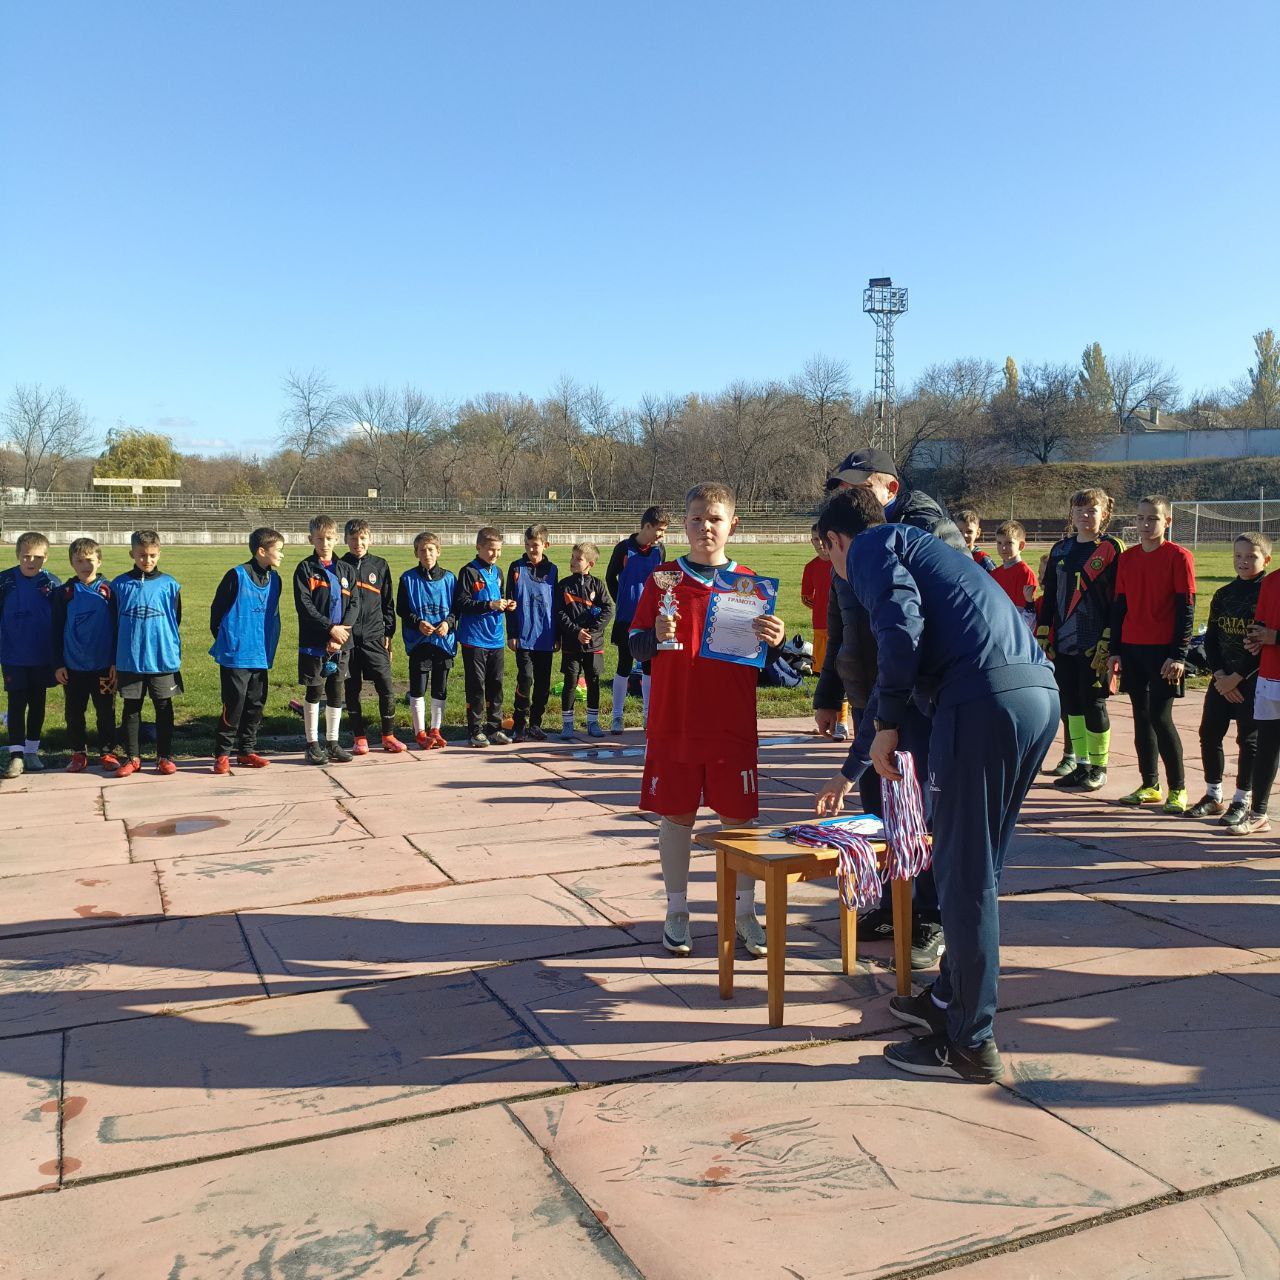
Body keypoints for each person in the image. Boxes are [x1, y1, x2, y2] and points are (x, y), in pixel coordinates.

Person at [814, 487, 1058, 1083]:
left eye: (827, 559)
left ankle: (970, 1043)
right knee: (982, 868)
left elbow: (899, 632)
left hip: (981, 701)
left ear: (833, 541)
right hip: (1034, 693)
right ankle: (949, 1000)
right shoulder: (921, 547)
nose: (835, 572)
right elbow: (894, 674)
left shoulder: (871, 546)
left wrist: (890, 724)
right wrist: (853, 770)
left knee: (963, 875)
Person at [813, 448, 963, 970]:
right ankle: (896, 901)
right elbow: (840, 625)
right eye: (839, 486)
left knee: (919, 807)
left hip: (914, 696)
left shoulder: (927, 533)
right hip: (872, 694)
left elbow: (919, 627)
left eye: (855, 485)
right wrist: (829, 690)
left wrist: (892, 710)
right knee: (878, 811)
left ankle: (932, 915)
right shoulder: (849, 536)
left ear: (889, 488)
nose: (843, 494)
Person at [629, 482, 785, 958]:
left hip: (730, 724)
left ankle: (744, 913)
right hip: (674, 719)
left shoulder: (750, 585)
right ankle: (677, 910)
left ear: (732, 524)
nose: (705, 528)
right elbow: (634, 646)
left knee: (738, 818)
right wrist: (653, 635)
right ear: (684, 523)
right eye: (696, 518)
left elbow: (768, 668)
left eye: (714, 519)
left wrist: (775, 641)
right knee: (675, 814)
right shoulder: (663, 580)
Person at [1107, 495, 1196, 813]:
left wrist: (1179, 655)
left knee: (1160, 717)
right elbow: (1119, 607)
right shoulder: (1127, 559)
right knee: (1141, 718)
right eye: (1141, 518)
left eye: (1153, 519)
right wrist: (1114, 651)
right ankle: (1149, 784)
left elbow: (1187, 610)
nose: (1145, 524)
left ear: (1167, 522)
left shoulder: (1179, 557)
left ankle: (1179, 789)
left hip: (1164, 653)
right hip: (1132, 649)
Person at [1036, 488, 1122, 792]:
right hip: (1063, 641)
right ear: (1071, 514)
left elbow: (1118, 600)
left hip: (1095, 640)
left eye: (1092, 510)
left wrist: (1111, 639)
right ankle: (1082, 764)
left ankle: (1099, 767)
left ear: (1104, 514)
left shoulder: (1112, 548)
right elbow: (1048, 598)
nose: (1085, 516)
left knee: (1093, 703)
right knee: (1070, 702)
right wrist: (1044, 633)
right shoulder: (1060, 550)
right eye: (1079, 510)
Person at [1190, 533, 1269, 823]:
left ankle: (1242, 800)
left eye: (1251, 556)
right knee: (1209, 733)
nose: (1244, 562)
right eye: (1238, 556)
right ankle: (1214, 795)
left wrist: (1237, 677)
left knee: (1248, 740)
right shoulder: (1224, 594)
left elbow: (1261, 646)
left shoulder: (1268, 594)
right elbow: (1210, 640)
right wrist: (1221, 675)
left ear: (1266, 559)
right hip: (1222, 679)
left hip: (1252, 680)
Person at [209, 527, 284, 774]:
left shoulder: (276, 580)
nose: (282, 555)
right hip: (236, 654)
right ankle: (222, 754)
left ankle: (246, 750)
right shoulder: (236, 575)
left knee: (255, 703)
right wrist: (229, 641)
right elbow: (217, 612)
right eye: (278, 551)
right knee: (235, 703)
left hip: (260, 653)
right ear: (261, 551)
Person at [111, 529, 183, 778]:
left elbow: (176, 619)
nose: (147, 560)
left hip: (162, 658)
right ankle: (133, 757)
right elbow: (113, 623)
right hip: (130, 659)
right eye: (141, 555)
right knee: (131, 707)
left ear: (159, 553)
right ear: (132, 553)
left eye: (152, 555)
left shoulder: (170, 584)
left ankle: (164, 756)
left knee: (164, 707)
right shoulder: (119, 584)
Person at [294, 514, 358, 766]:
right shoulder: (305, 569)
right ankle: (312, 744)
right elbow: (305, 606)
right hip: (315, 642)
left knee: (335, 693)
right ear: (311, 539)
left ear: (336, 540)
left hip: (341, 643)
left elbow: (354, 603)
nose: (325, 543)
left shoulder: (346, 570)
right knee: (314, 691)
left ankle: (332, 742)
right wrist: (329, 629)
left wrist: (341, 634)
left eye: (329, 539)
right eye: (320, 539)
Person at [52, 537, 119, 773]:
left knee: (106, 711)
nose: (85, 565)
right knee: (74, 712)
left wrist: (114, 661)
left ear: (99, 561)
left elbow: (119, 629)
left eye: (89, 560)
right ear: (72, 563)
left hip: (102, 667)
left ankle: (108, 752)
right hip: (73, 667)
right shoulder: (64, 593)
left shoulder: (110, 591)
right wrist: (59, 663)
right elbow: (55, 629)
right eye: (79, 561)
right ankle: (79, 752)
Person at [0, 531, 60, 779]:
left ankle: (33, 751)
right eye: (26, 556)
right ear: (18, 556)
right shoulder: (4, 581)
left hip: (42, 656)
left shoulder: (52, 584)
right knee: (16, 703)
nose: (31, 562)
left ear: (45, 558)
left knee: (37, 703)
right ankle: (16, 756)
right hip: (13, 655)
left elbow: (60, 620)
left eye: (37, 557)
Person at [341, 519, 404, 754]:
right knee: (351, 688)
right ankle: (359, 738)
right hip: (348, 638)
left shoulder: (379, 565)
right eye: (354, 539)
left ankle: (388, 735)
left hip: (375, 637)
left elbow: (388, 602)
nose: (358, 543)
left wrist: (389, 632)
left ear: (370, 538)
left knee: (386, 686)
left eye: (363, 538)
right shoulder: (339, 565)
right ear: (346, 540)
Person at [606, 506, 667, 731]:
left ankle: (648, 715)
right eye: (660, 530)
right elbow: (610, 577)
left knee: (649, 666)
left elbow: (662, 581)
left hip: (651, 619)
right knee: (624, 664)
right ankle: (617, 716)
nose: (662, 535)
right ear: (647, 526)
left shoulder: (659, 550)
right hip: (627, 618)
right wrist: (621, 599)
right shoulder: (624, 548)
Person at [396, 531, 457, 750]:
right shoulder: (408, 578)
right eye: (422, 550)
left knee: (440, 687)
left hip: (443, 642)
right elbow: (401, 609)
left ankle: (435, 729)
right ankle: (420, 732)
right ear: (416, 553)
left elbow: (457, 609)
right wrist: (418, 622)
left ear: (438, 551)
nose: (427, 553)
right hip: (419, 641)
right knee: (418, 687)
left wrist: (448, 623)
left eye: (431, 549)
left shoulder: (450, 579)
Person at [456, 526, 514, 748]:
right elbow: (462, 603)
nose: (495, 554)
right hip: (474, 639)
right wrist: (489, 605)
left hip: (496, 637)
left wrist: (507, 605)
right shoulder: (468, 572)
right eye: (490, 550)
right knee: (476, 686)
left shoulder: (498, 572)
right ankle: (475, 730)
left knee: (496, 684)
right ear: (478, 547)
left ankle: (495, 727)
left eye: (498, 550)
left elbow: (498, 599)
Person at [556, 541, 614, 739]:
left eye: (578, 559)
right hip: (572, 643)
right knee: (570, 682)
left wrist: (592, 630)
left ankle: (593, 722)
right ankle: (567, 724)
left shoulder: (598, 585)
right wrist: (576, 631)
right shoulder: (563, 585)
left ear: (590, 564)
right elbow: (560, 613)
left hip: (593, 644)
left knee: (593, 682)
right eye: (572, 557)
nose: (572, 561)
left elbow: (608, 610)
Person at [507, 523, 559, 742]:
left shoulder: (553, 570)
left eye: (535, 545)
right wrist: (512, 633)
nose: (531, 549)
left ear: (545, 545)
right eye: (528, 545)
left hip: (545, 637)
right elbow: (509, 602)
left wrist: (558, 636)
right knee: (525, 678)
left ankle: (536, 723)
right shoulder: (516, 568)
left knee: (543, 683)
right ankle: (519, 724)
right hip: (524, 636)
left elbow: (556, 605)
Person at [800, 523, 850, 738]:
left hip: (845, 628)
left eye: (820, 539)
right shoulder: (810, 567)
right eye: (813, 540)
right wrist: (823, 608)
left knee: (847, 674)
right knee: (826, 674)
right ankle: (832, 717)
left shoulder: (844, 564)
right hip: (821, 628)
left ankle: (843, 722)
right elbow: (806, 597)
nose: (818, 544)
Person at [1241, 571, 1280, 835]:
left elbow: (1272, 634)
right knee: (1267, 747)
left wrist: (1274, 637)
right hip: (1270, 676)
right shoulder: (1272, 581)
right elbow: (1262, 625)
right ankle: (1258, 813)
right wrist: (1255, 639)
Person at [992, 520, 1038, 628]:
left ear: (1021, 546)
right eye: (999, 543)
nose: (1003, 547)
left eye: (1009, 543)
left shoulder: (1025, 573)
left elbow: (1025, 615)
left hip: (1013, 630)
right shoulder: (994, 574)